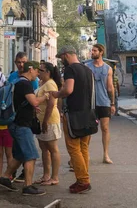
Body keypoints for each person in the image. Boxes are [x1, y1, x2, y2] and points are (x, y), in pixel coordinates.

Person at [0, 62, 49, 196]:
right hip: (21, 125)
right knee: (31, 155)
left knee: (20, 155)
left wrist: (31, 107)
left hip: (15, 124)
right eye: (37, 71)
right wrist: (46, 96)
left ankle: (5, 177)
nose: (38, 74)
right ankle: (28, 186)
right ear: (31, 69)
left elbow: (23, 102)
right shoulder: (25, 84)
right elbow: (35, 101)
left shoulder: (17, 82)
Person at [50, 46, 95, 194]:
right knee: (83, 148)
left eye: (61, 57)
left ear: (66, 55)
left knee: (74, 148)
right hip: (87, 113)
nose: (61, 60)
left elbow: (68, 90)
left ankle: (83, 180)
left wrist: (57, 94)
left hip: (74, 114)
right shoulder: (88, 70)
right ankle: (83, 177)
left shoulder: (70, 69)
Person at [5, 51, 33, 183]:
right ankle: (21, 180)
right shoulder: (12, 77)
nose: (21, 65)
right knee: (26, 152)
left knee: (22, 151)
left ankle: (13, 176)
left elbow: (35, 94)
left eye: (23, 62)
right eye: (19, 62)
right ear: (15, 62)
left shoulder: (33, 79)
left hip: (26, 118)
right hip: (17, 119)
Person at [85, 44, 115, 164]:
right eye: (91, 50)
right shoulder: (87, 67)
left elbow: (110, 87)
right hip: (90, 102)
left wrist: (112, 103)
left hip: (104, 102)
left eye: (94, 50)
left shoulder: (108, 68)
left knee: (105, 128)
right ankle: (85, 154)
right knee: (88, 129)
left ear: (101, 52)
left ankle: (106, 154)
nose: (92, 52)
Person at [35, 62, 63, 186]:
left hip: (50, 120)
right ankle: (46, 175)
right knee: (44, 149)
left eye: (41, 70)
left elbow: (51, 104)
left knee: (52, 149)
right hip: (41, 119)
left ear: (48, 72)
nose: (38, 72)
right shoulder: (43, 84)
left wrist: (45, 121)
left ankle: (54, 177)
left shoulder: (51, 84)